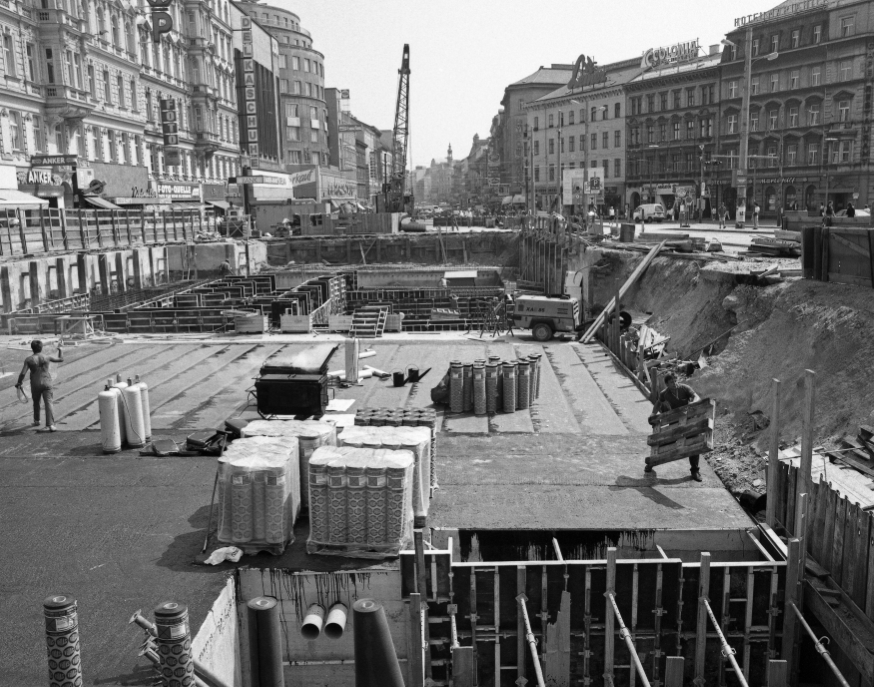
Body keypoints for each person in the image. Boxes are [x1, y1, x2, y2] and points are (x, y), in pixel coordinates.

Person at [648, 373, 703, 482]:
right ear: (667, 384)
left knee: (694, 442)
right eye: (671, 382)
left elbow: (696, 397)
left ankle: (695, 471)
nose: (674, 383)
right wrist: (653, 414)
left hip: (688, 419)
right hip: (674, 420)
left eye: (675, 380)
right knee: (667, 442)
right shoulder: (665, 393)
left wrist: (692, 403)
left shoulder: (684, 388)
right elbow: (658, 403)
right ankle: (652, 462)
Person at [16, 339, 63, 432]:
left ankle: (37, 420)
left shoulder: (29, 359)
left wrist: (19, 382)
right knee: (49, 402)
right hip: (47, 382)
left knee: (36, 402)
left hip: (35, 383)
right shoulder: (47, 357)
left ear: (32, 348)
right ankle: (50, 425)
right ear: (41, 348)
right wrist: (60, 349)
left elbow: (22, 373)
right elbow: (61, 359)